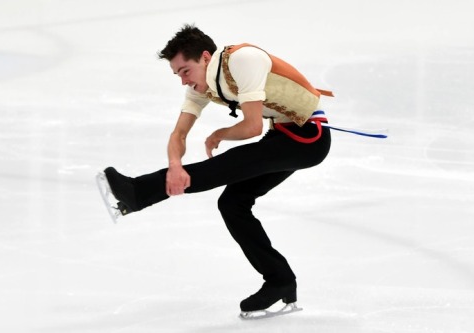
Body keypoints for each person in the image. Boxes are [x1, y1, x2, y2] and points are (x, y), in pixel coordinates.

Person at [102, 24, 333, 313]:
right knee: (232, 202)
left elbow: (251, 127)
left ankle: (138, 192)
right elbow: (179, 135)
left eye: (185, 71)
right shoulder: (202, 87)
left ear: (206, 58)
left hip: (308, 138)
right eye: (177, 75)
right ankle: (280, 281)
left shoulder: (243, 60)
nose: (183, 81)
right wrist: (174, 166)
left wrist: (219, 134)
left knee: (226, 166)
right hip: (283, 137)